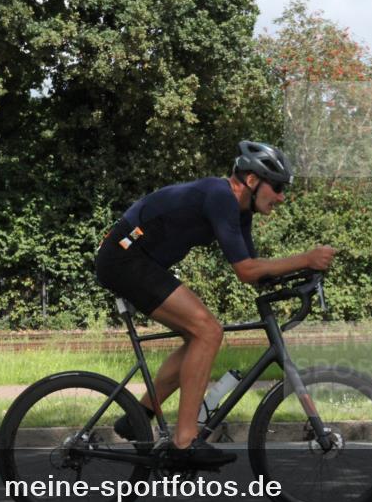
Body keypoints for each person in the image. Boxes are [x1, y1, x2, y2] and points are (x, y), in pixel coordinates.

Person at [94, 141, 335, 467]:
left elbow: (251, 271)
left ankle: (139, 415)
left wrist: (300, 276)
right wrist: (305, 257)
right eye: (277, 187)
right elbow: (247, 269)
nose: (281, 197)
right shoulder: (220, 196)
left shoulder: (240, 211)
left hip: (139, 260)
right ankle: (184, 441)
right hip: (125, 256)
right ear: (252, 180)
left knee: (201, 334)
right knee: (207, 331)